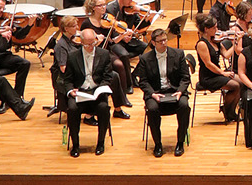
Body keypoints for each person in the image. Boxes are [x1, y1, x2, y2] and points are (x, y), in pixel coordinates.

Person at [53, 22, 124, 157]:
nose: (90, 47)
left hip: (96, 92)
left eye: (93, 43)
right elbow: (66, 79)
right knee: (72, 109)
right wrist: (70, 91)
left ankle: (101, 143)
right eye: (87, 44)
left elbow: (108, 76)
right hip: (80, 92)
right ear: (81, 42)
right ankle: (76, 145)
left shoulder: (103, 54)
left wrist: (102, 88)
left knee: (103, 108)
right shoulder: (73, 56)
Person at [138, 26, 197, 156]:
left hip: (175, 91)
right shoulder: (145, 59)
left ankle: (180, 142)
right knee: (152, 109)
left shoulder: (178, 54)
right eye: (160, 41)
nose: (164, 43)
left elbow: (185, 78)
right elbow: (143, 81)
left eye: (165, 40)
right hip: (155, 93)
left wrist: (180, 91)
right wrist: (152, 94)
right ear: (153, 43)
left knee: (183, 105)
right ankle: (158, 144)